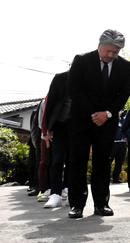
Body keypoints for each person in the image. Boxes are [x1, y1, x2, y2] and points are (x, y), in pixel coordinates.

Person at [66, 29, 130, 218]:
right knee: (78, 162)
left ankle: (101, 204)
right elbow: (74, 89)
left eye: (115, 52)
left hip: (107, 123)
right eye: (108, 51)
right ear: (99, 46)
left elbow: (124, 93)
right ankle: (76, 205)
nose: (111, 55)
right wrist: (93, 114)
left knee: (103, 163)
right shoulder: (81, 60)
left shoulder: (124, 66)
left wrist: (108, 114)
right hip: (81, 121)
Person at [42, 71, 71, 208]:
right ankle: (55, 194)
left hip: (79, 126)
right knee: (57, 159)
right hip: (60, 124)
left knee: (75, 160)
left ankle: (72, 192)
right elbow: (51, 102)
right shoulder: (61, 78)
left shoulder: (89, 77)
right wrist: (47, 129)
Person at [108, 111, 127, 184]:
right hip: (114, 142)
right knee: (109, 160)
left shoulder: (124, 120)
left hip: (122, 143)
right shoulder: (112, 120)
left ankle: (116, 177)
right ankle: (107, 177)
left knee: (120, 161)